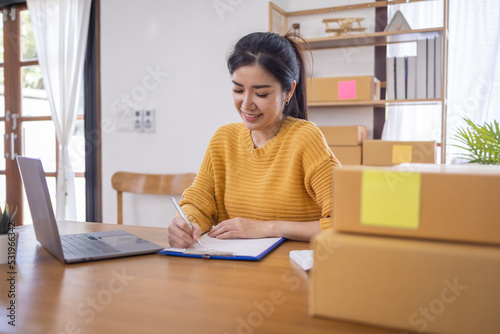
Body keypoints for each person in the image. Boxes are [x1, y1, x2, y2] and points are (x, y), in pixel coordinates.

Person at [167, 31, 341, 248]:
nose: (246, 104)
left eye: (261, 94)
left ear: (288, 92)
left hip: (290, 271)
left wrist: (268, 227)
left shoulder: (305, 139)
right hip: (233, 269)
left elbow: (346, 222)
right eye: (238, 90)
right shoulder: (223, 139)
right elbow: (199, 203)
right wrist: (186, 222)